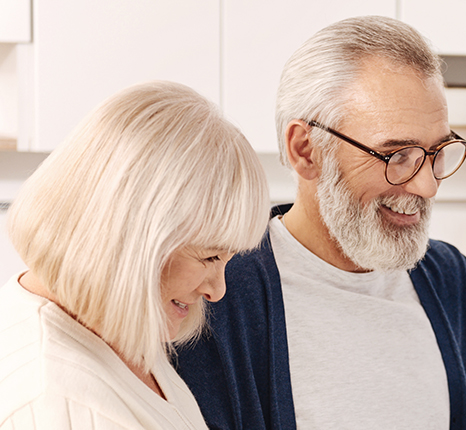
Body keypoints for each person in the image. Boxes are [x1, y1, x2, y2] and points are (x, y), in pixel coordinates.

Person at [174, 15, 466, 430]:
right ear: (306, 150)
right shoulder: (216, 293)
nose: (427, 186)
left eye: (437, 152)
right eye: (396, 155)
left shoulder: (447, 279)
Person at [0, 81, 270, 428]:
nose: (217, 291)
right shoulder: (61, 404)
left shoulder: (110, 331)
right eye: (209, 258)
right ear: (130, 236)